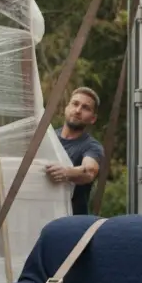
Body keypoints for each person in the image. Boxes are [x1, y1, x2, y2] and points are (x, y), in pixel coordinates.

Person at [46, 87, 105, 215]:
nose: (78, 110)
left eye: (86, 108)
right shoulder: (48, 139)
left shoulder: (92, 146)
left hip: (73, 223)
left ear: (93, 119)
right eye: (75, 104)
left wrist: (66, 172)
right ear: (66, 108)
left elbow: (89, 171)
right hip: (42, 216)